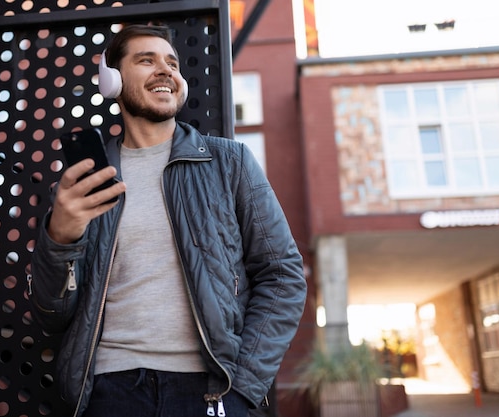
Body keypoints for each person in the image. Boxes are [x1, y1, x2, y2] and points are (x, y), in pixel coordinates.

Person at [29, 23, 307, 417]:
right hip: (109, 389)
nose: (166, 71)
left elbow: (283, 275)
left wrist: (242, 387)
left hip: (209, 389)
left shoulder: (230, 163)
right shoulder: (89, 181)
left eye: (172, 63)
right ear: (112, 81)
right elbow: (50, 313)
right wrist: (60, 238)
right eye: (146, 61)